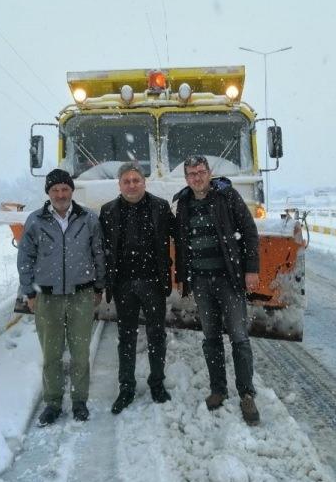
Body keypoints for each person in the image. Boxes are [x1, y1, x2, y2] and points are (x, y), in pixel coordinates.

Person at [173, 155, 261, 426]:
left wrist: (251, 270)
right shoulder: (184, 203)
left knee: (238, 337)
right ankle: (218, 390)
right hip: (200, 281)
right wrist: (181, 276)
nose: (197, 178)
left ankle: (246, 394)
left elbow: (248, 232)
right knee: (210, 337)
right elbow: (181, 240)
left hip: (229, 279)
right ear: (186, 178)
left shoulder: (227, 196)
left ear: (209, 173)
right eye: (191, 174)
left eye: (201, 172)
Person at [17, 168, 105, 426]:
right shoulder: (35, 220)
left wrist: (98, 287)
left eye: (64, 189)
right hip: (47, 298)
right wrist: (29, 292)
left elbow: (98, 253)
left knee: (80, 353)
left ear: (71, 191)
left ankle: (80, 402)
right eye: (55, 190)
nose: (60, 194)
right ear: (48, 193)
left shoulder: (88, 218)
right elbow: (25, 259)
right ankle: (53, 403)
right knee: (52, 354)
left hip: (81, 295)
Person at [99, 163, 175, 414]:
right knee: (126, 338)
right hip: (123, 285)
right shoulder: (108, 211)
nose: (132, 185)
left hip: (153, 283)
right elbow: (99, 249)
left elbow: (181, 234)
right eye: (126, 181)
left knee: (156, 335)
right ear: (119, 185)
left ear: (144, 182)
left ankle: (157, 384)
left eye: (136, 180)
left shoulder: (161, 208)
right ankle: (126, 388)